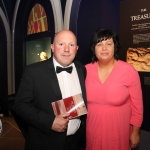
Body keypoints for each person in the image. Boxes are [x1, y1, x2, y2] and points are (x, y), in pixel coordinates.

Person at [14, 30, 87, 150]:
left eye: (71, 45)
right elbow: (20, 105)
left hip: (75, 142)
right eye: (61, 44)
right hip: (45, 142)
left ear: (77, 48)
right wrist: (50, 122)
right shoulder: (33, 72)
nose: (66, 49)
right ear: (52, 47)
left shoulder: (81, 69)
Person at [85, 29, 143, 150]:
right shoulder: (84, 71)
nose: (104, 48)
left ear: (115, 46)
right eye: (99, 44)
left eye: (109, 44)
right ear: (94, 48)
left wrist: (135, 132)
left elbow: (137, 106)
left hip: (118, 133)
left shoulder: (128, 71)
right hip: (92, 131)